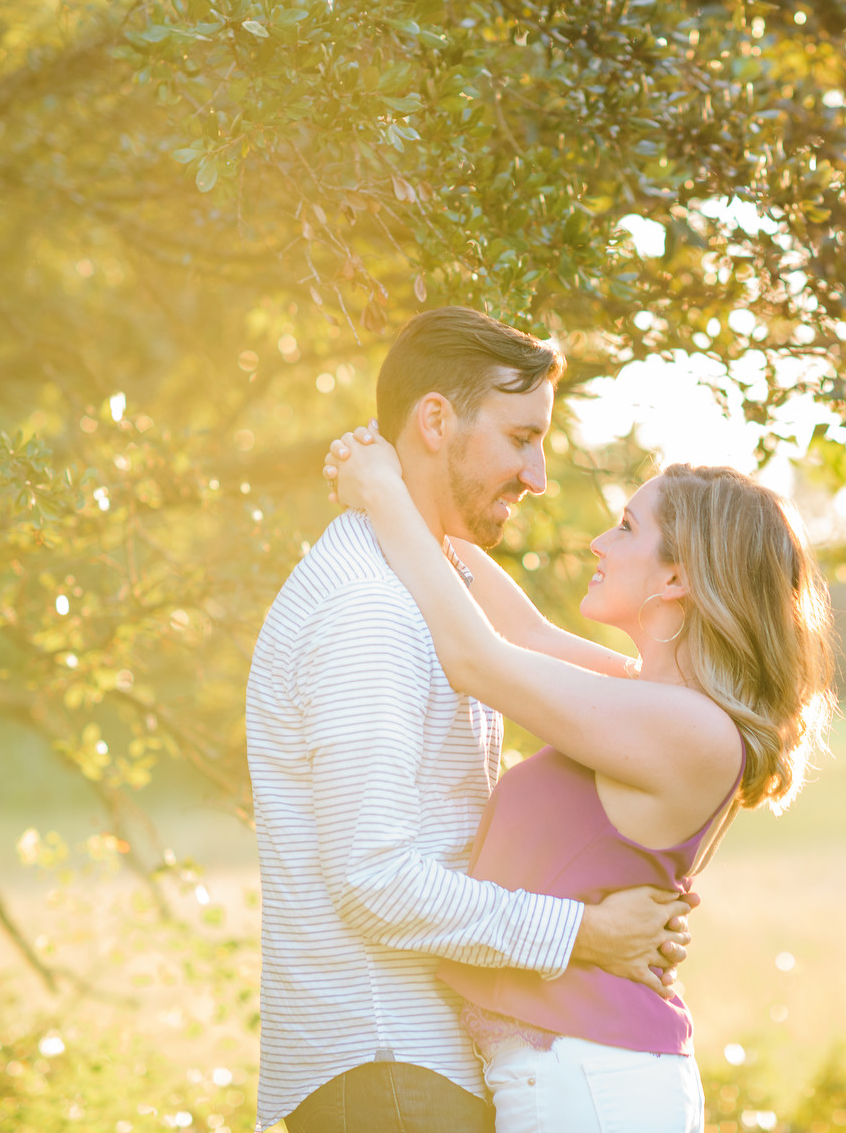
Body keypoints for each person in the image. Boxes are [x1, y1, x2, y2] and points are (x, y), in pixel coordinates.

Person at [321, 406, 837, 1131]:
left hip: (592, 1078)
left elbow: (477, 659)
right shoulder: (647, 699)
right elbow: (517, 630)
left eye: (626, 528)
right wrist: (409, 497)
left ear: (676, 579)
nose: (599, 542)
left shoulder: (688, 730)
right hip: (571, 1071)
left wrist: (382, 493)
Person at [246, 307, 694, 1133]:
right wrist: (585, 934)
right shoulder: (369, 610)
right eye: (522, 437)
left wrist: (387, 490)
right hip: (387, 1067)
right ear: (436, 421)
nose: (539, 475)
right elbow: (372, 882)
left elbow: (533, 650)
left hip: (416, 1067)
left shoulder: (429, 585)